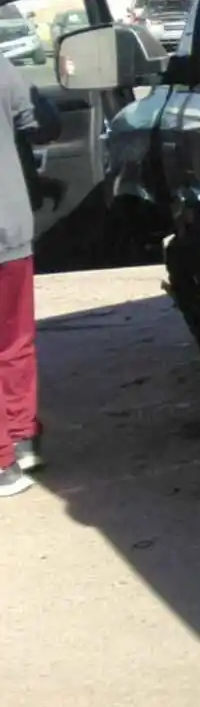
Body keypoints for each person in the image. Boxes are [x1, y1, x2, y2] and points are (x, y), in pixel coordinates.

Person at [1, 52, 57, 496]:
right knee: (14, 341)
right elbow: (42, 124)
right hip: (7, 226)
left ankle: (4, 464)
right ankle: (20, 440)